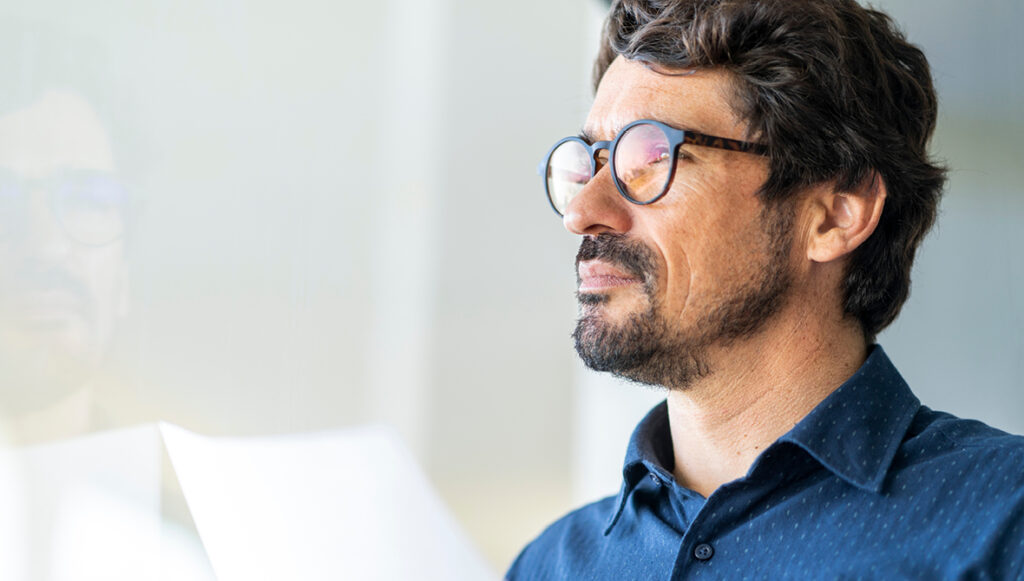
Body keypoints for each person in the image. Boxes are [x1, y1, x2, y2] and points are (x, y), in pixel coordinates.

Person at [508, 0, 1024, 578]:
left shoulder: (1004, 520)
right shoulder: (550, 565)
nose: (581, 213)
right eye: (591, 162)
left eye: (649, 157)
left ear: (835, 215)